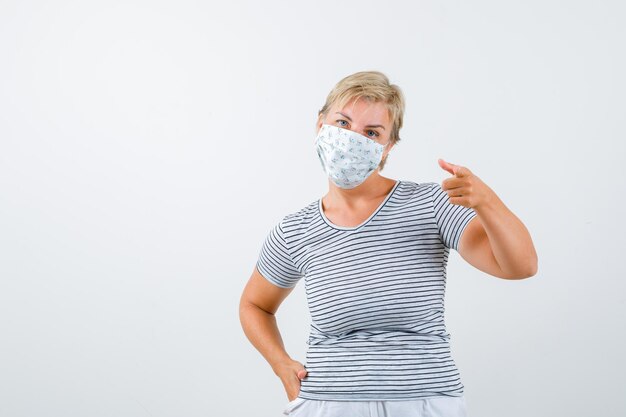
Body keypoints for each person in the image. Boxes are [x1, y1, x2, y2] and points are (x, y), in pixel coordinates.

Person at [239, 71, 538, 417]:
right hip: (328, 403)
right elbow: (254, 305)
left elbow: (521, 266)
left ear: (388, 147)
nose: (352, 138)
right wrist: (280, 364)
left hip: (425, 402)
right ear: (320, 124)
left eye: (371, 132)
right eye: (342, 122)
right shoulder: (295, 230)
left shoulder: (431, 205)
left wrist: (488, 202)